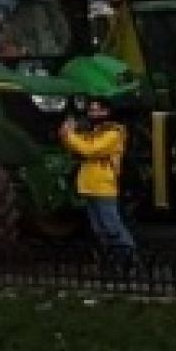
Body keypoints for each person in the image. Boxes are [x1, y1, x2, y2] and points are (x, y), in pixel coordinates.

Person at [59, 97, 135, 256]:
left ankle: (129, 259)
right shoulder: (97, 131)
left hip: (103, 187)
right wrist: (66, 135)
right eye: (91, 110)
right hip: (90, 185)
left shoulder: (114, 132)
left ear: (106, 111)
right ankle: (110, 260)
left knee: (111, 226)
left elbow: (90, 149)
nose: (92, 113)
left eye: (96, 110)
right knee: (98, 229)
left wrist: (70, 136)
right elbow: (79, 146)